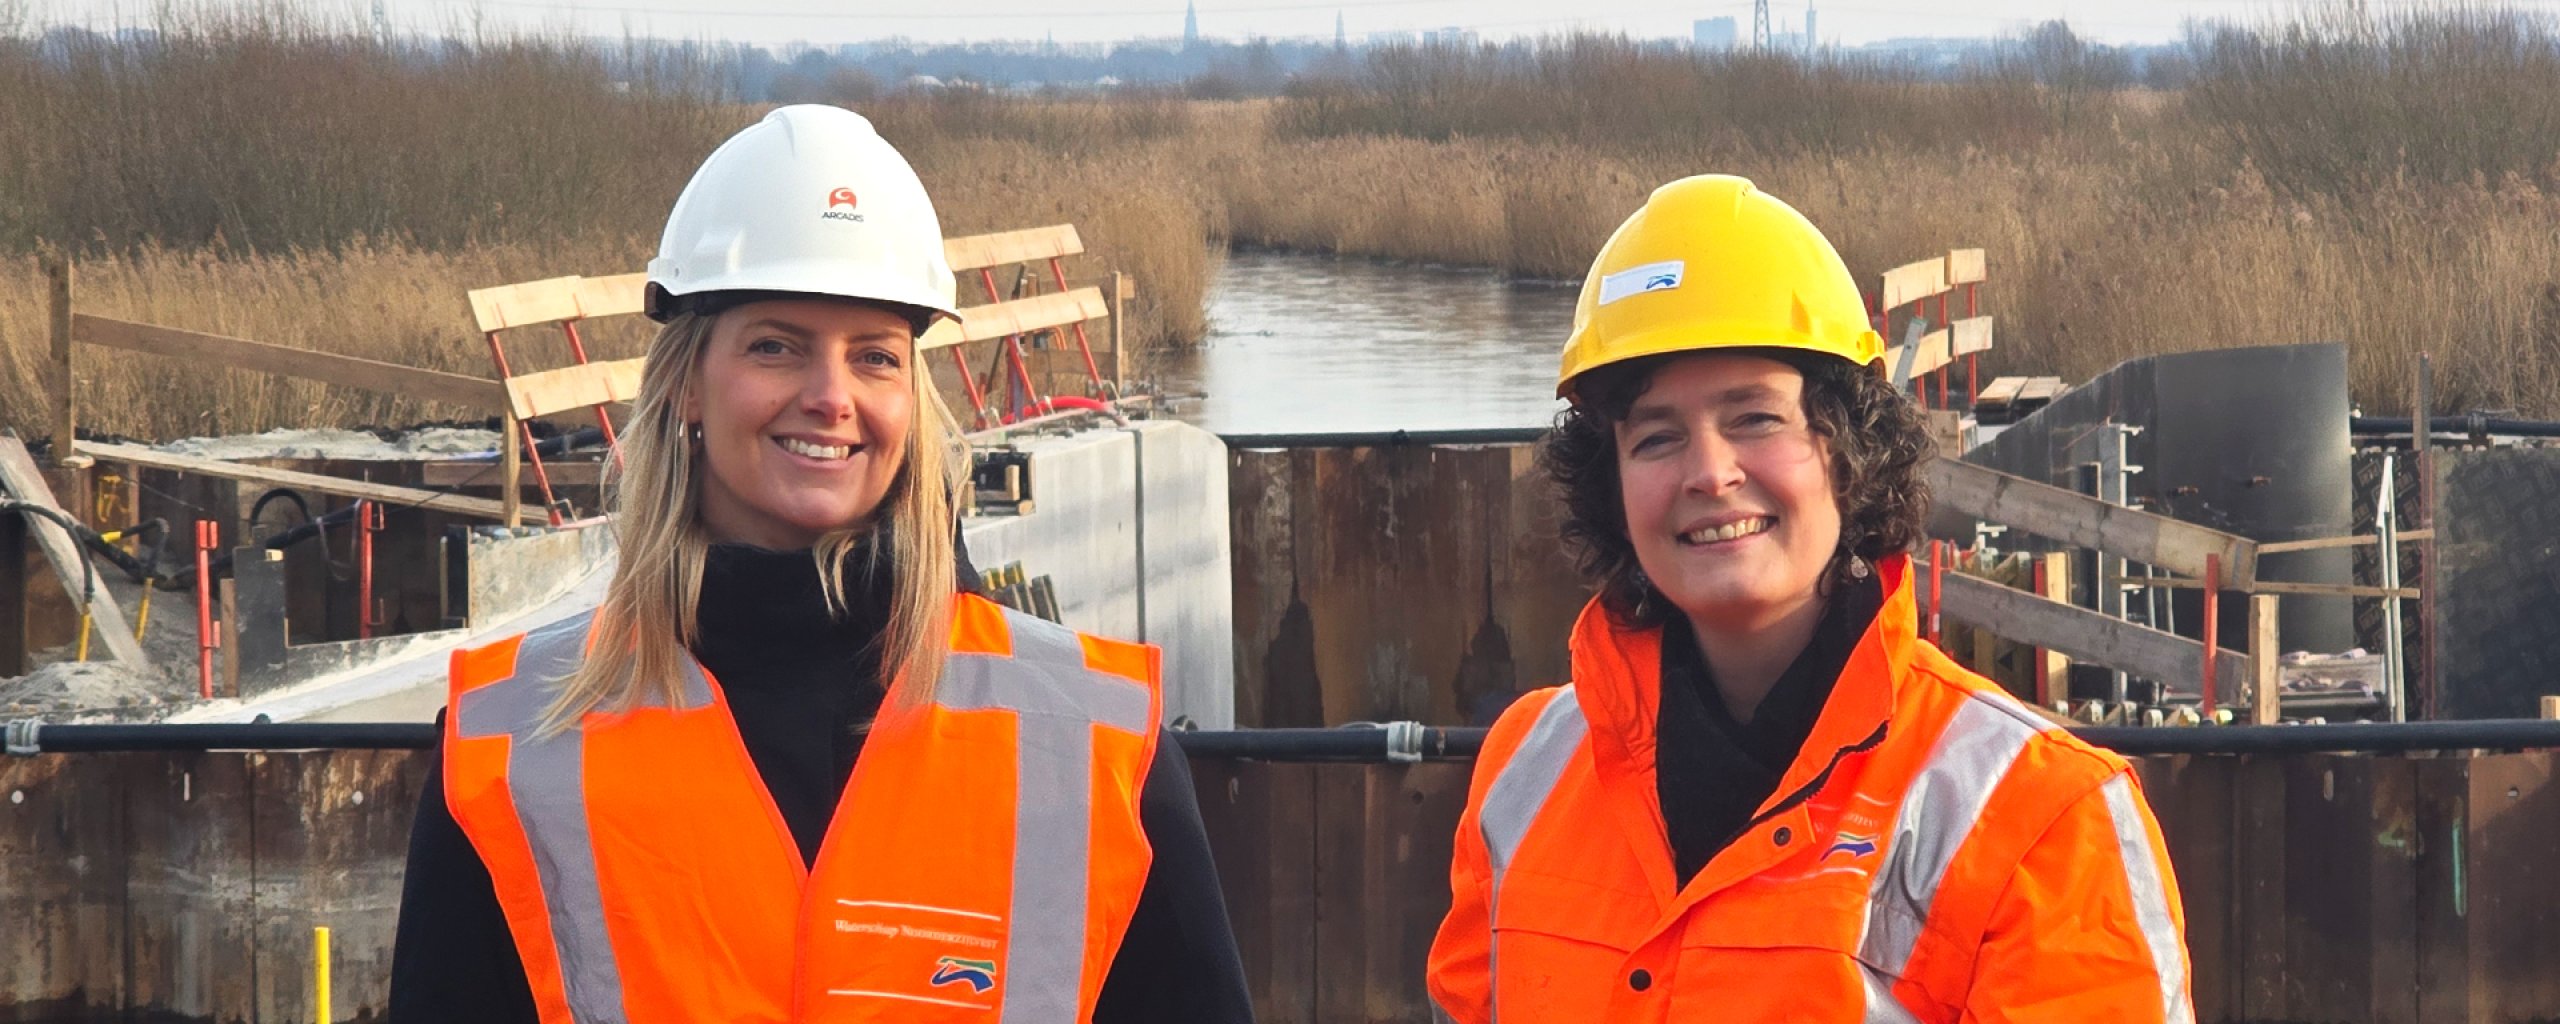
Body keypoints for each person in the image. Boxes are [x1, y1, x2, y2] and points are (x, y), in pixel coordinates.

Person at [390, 105, 1253, 1023]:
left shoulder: (1096, 744)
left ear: (910, 399)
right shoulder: (510, 746)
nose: (831, 397)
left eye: (874, 357)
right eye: (777, 346)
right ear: (685, 378)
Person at [1425, 175, 2193, 1022]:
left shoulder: (2039, 818)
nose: (1710, 473)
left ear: (1850, 450)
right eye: (1656, 437)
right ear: (1611, 485)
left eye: (1755, 419)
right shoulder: (1524, 772)